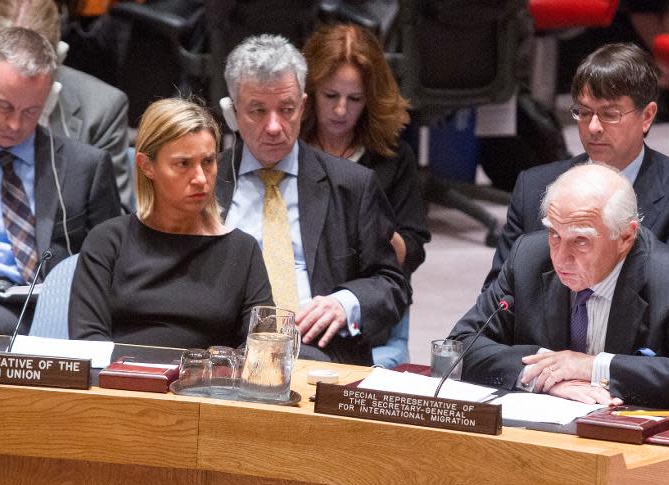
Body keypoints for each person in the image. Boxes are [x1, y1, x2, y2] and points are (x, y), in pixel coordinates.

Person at [451, 163, 669, 412]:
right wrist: (545, 376)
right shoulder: (528, 259)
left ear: (626, 236)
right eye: (554, 235)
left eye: (580, 241)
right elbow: (457, 345)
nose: (560, 258)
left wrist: (591, 366)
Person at [216, 34, 407, 366]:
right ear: (233, 113)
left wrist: (345, 303)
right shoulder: (207, 184)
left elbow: (391, 286)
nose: (274, 126)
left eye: (286, 109)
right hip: (224, 351)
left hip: (319, 353)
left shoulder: (352, 184)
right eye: (258, 111)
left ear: (303, 106)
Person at [483, 42, 669, 289]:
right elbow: (498, 294)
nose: (593, 127)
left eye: (610, 114)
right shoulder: (533, 187)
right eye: (583, 113)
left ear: (647, 116)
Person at [69, 98, 273, 349]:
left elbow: (262, 348)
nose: (200, 178)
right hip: (122, 384)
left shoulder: (242, 250)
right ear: (147, 166)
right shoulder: (108, 242)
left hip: (208, 386)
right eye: (183, 164)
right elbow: (87, 341)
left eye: (208, 162)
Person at [300, 23, 430, 367]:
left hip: (367, 314)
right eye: (331, 96)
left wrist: (370, 226)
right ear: (309, 93)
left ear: (370, 99)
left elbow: (414, 247)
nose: (341, 110)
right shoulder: (289, 150)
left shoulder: (392, 157)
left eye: (354, 99)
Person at [0, 27, 120, 334]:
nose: (15, 124)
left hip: (47, 313)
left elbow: (110, 265)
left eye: (31, 111)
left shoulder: (84, 167)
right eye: (4, 106)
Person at [0, 0, 133, 210]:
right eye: (3, 103)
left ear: (57, 56)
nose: (14, 125)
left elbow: (114, 228)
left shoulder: (102, 110)